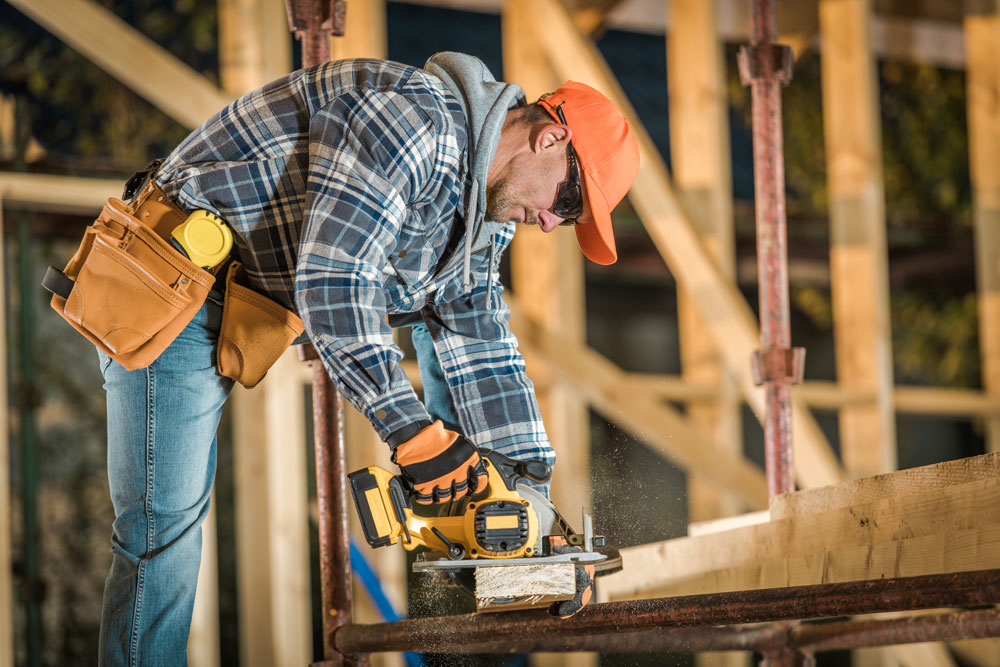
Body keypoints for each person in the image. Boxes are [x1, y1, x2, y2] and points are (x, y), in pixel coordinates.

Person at [95, 51, 638, 665]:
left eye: (567, 221)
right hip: (169, 283)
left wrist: (529, 500)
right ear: (550, 137)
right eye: (568, 203)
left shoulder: (486, 216)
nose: (548, 222)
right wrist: (415, 436)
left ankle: (494, 522)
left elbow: (478, 334)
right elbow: (335, 285)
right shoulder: (411, 119)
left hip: (252, 297)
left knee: (455, 334)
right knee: (163, 528)